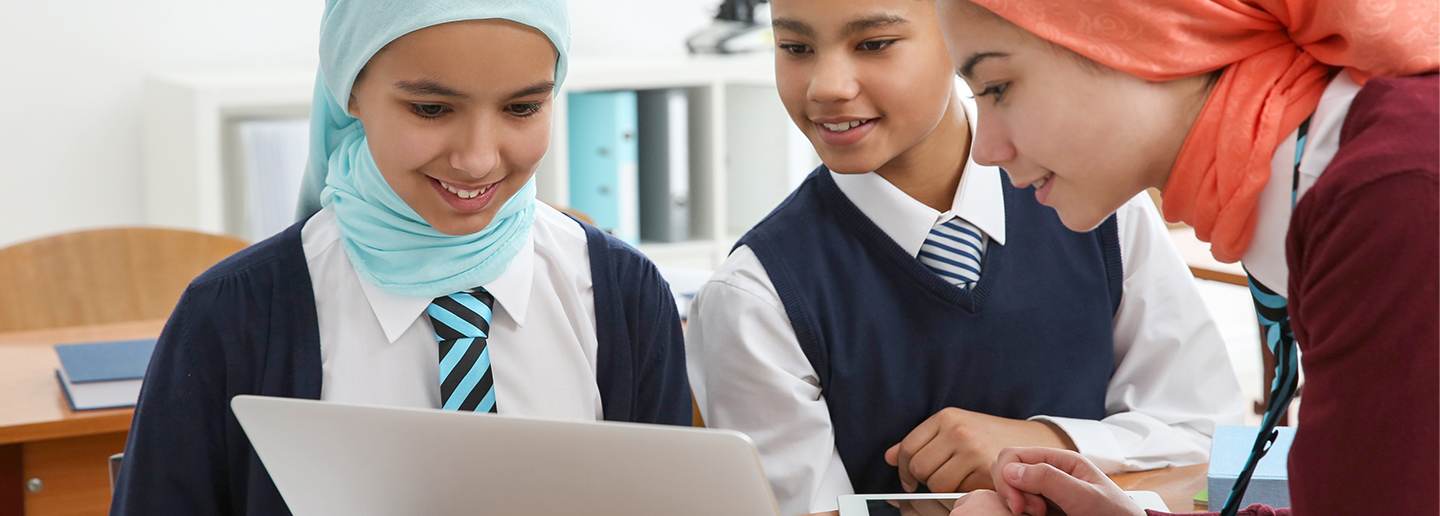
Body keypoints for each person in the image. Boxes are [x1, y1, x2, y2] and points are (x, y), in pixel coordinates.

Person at [110, 2, 689, 514]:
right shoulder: (232, 315)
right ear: (350, 90)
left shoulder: (624, 295)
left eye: (522, 107)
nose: (478, 159)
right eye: (432, 110)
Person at [684, 0, 1245, 514]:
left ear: (960, 35)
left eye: (874, 43)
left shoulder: (1098, 203)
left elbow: (1208, 431)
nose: (826, 86)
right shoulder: (755, 297)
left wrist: (1050, 442)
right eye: (796, 48)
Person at [934, 0, 1438, 514]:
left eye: (997, 88)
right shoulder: (1352, 176)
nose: (986, 149)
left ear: (1145, 36)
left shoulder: (1393, 198)